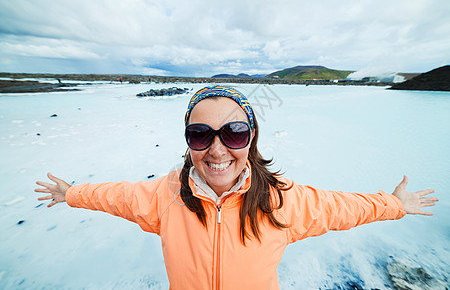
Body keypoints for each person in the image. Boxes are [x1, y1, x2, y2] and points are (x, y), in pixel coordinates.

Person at [35, 85, 438, 290]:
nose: (216, 151)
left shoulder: (281, 201)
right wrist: (72, 193)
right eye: (200, 134)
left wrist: (392, 204)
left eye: (234, 133)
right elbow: (116, 196)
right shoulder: (164, 197)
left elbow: (338, 208)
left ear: (251, 138)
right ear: (187, 140)